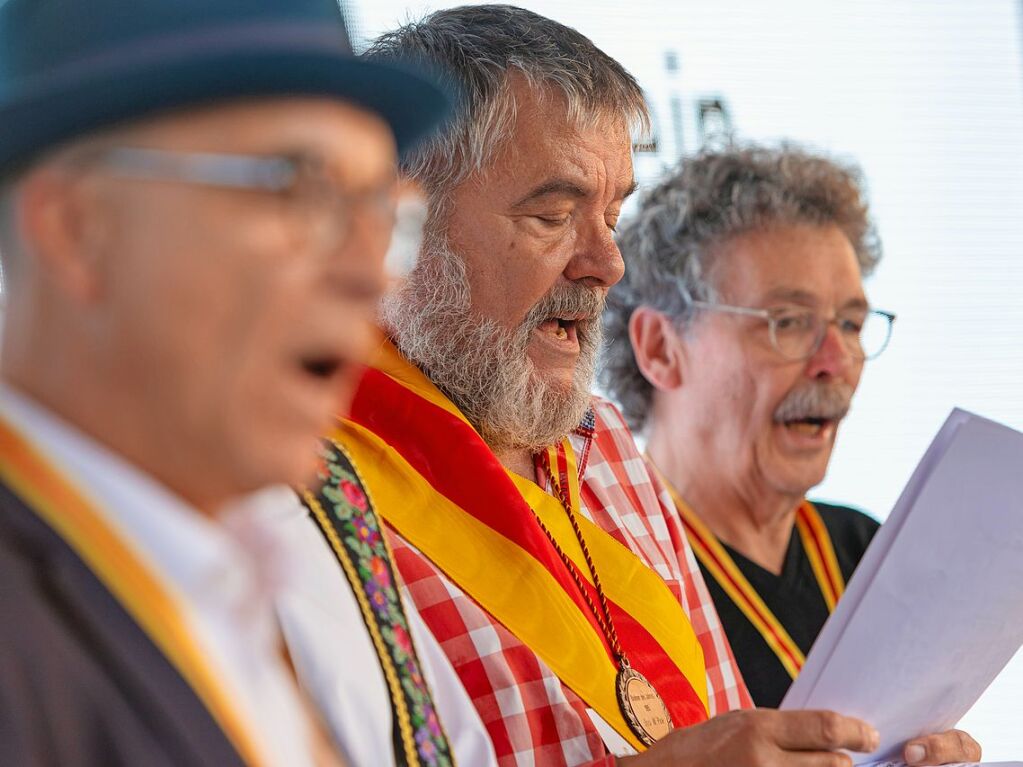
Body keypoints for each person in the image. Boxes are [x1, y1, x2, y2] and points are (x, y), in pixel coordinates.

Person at [308, 7, 978, 767]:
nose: (605, 262)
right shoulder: (305, 477)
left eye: (613, 214)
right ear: (402, 221)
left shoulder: (604, 442)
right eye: (553, 215)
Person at [0, 0, 451, 764]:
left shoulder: (225, 569)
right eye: (296, 190)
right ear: (77, 228)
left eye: (380, 210)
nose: (366, 272)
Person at [601, 145, 903, 710]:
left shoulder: (873, 555)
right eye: (787, 322)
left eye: (852, 324)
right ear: (661, 348)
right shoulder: (608, 573)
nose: (834, 361)